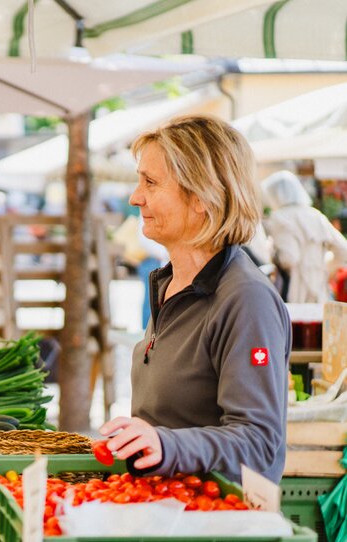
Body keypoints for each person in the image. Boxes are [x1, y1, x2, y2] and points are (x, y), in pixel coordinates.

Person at [100, 115, 290, 484]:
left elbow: (259, 441)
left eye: (150, 183)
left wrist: (167, 445)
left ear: (202, 198)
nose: (135, 197)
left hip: (218, 524)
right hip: (165, 506)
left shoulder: (245, 299)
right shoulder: (171, 283)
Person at [261, 170, 347, 303]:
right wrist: (324, 270)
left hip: (293, 295)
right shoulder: (316, 215)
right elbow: (343, 249)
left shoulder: (280, 217)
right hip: (320, 293)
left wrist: (272, 253)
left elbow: (288, 259)